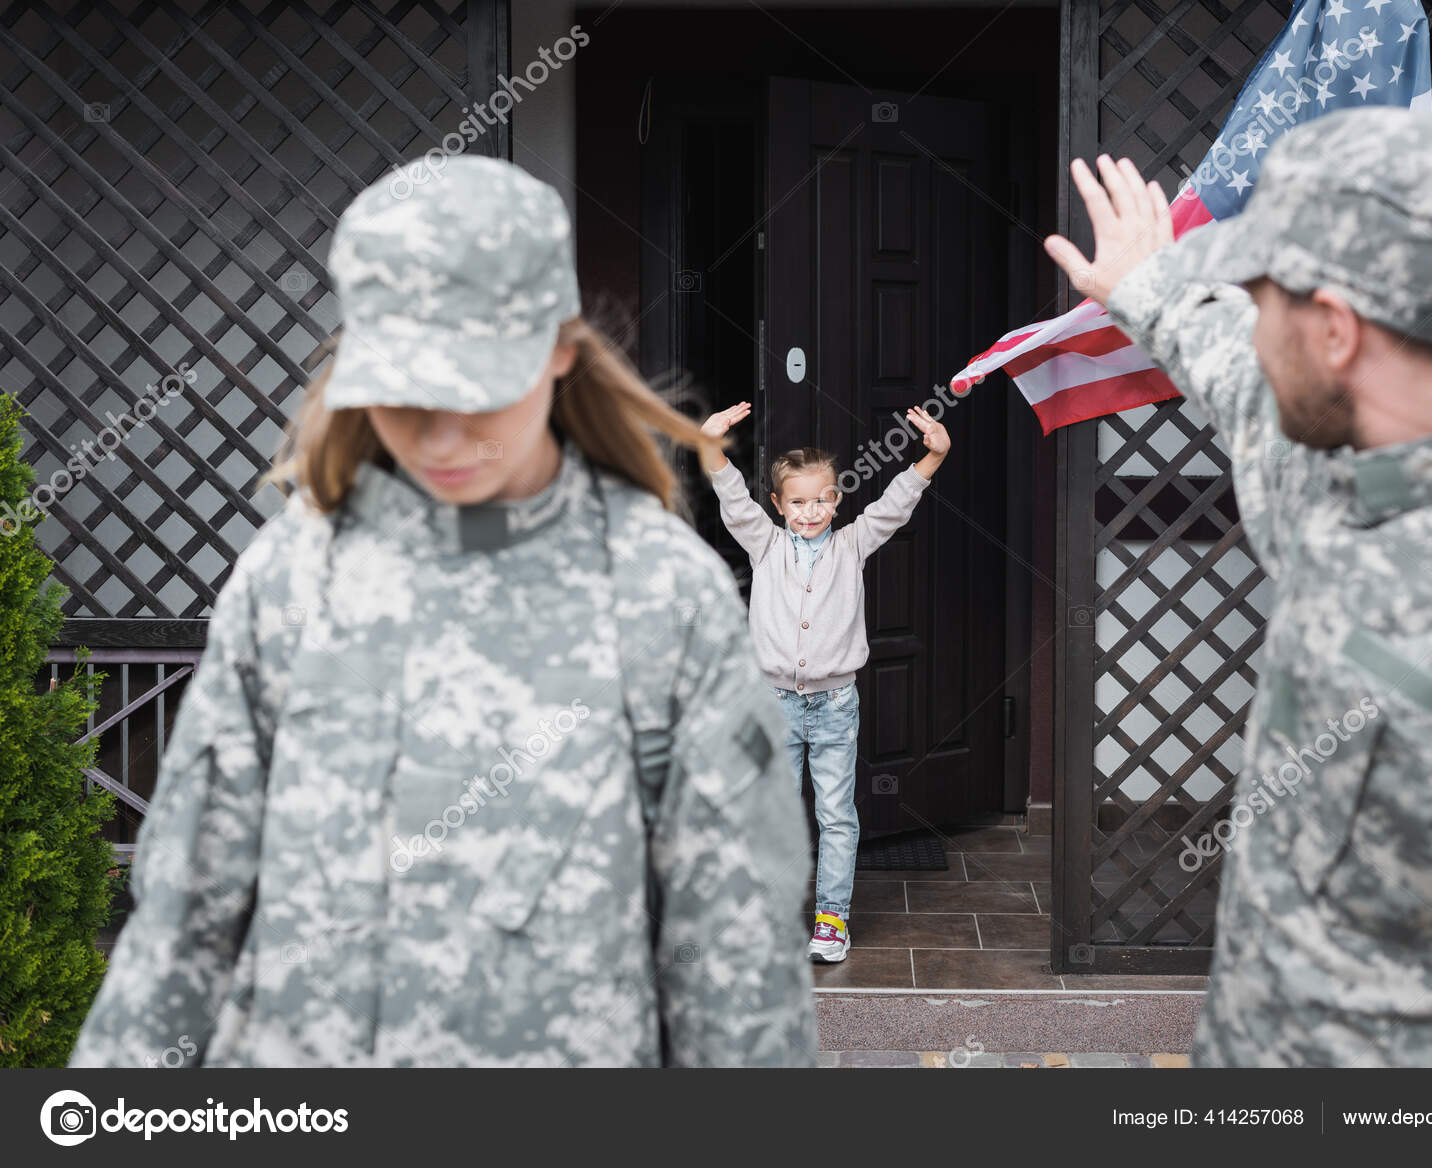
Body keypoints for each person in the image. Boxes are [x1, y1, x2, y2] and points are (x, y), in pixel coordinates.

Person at [69, 157, 817, 1067]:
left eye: (476, 393)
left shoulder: (664, 597)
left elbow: (739, 976)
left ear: (559, 350)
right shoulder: (291, 580)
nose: (442, 436)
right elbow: (182, 926)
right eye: (404, 394)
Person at [1045, 107, 1432, 1066]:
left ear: (1336, 330)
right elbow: (1222, 361)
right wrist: (1145, 284)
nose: (1253, 329)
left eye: (1263, 299)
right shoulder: (1332, 451)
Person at [698, 404, 950, 961]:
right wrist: (709, 445)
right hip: (771, 703)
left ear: (837, 500)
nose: (810, 512)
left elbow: (895, 506)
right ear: (778, 505)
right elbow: (731, 498)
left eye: (821, 500)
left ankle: (831, 920)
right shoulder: (764, 545)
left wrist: (933, 454)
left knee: (836, 814)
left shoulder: (852, 544)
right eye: (797, 502)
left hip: (836, 704)